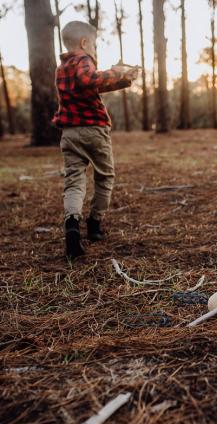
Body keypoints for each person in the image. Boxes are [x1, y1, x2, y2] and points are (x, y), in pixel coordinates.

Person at [52, 21, 139, 259]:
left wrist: (124, 80)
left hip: (69, 133)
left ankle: (71, 224)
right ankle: (94, 224)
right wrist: (118, 70)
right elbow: (90, 80)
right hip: (94, 131)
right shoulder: (84, 60)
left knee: (74, 180)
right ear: (84, 43)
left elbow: (90, 86)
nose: (94, 49)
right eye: (94, 44)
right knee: (104, 176)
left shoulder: (62, 68)